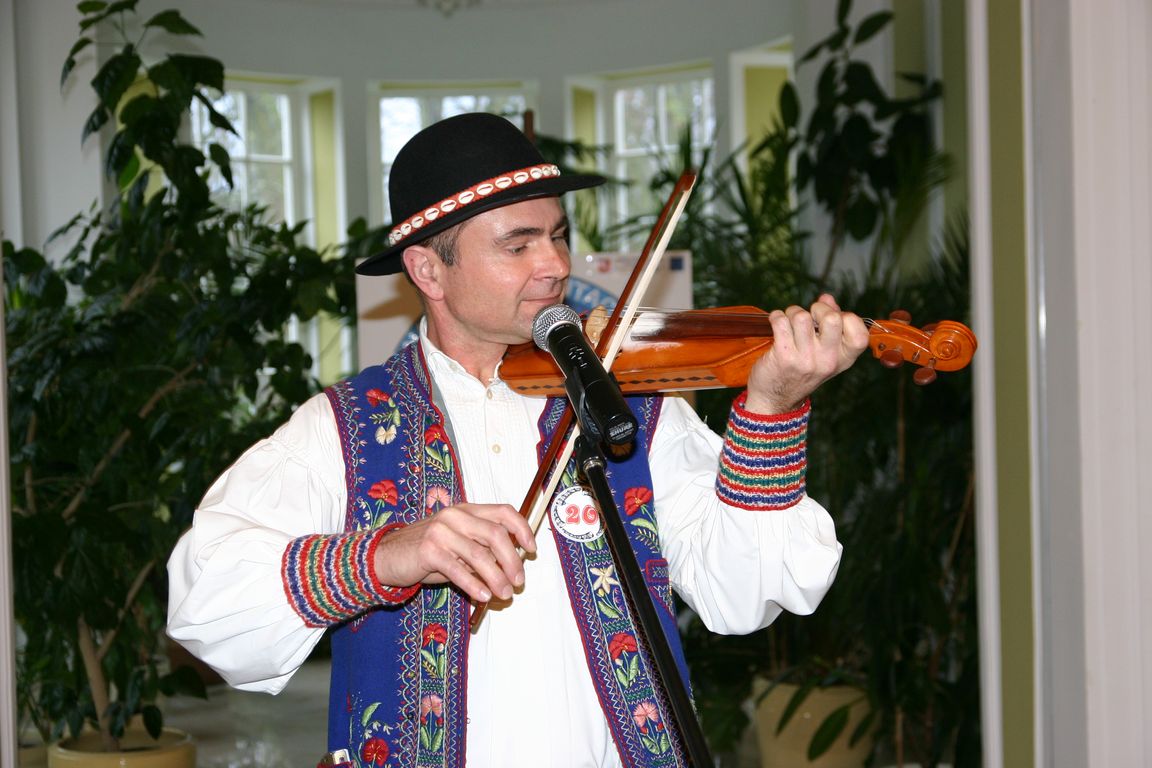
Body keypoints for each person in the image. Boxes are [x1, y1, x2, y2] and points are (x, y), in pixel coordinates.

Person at [167, 112, 870, 768]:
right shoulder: (345, 427)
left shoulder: (627, 402)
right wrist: (386, 555)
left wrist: (772, 411)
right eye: (518, 244)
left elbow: (749, 591)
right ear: (428, 269)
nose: (556, 264)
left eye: (558, 235)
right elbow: (206, 608)